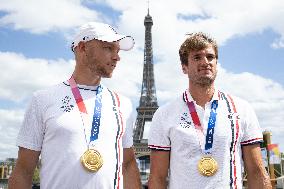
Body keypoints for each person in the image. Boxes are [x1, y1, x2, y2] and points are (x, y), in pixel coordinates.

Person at [8, 22, 141, 189]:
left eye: (117, 50)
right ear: (83, 48)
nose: (116, 57)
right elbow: (23, 171)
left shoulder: (123, 104)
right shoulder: (43, 100)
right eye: (108, 48)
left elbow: (128, 165)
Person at [148, 32, 272, 189]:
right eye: (197, 57)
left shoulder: (242, 109)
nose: (205, 62)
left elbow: (257, 173)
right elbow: (157, 178)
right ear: (184, 67)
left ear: (216, 63)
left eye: (210, 57)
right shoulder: (164, 114)